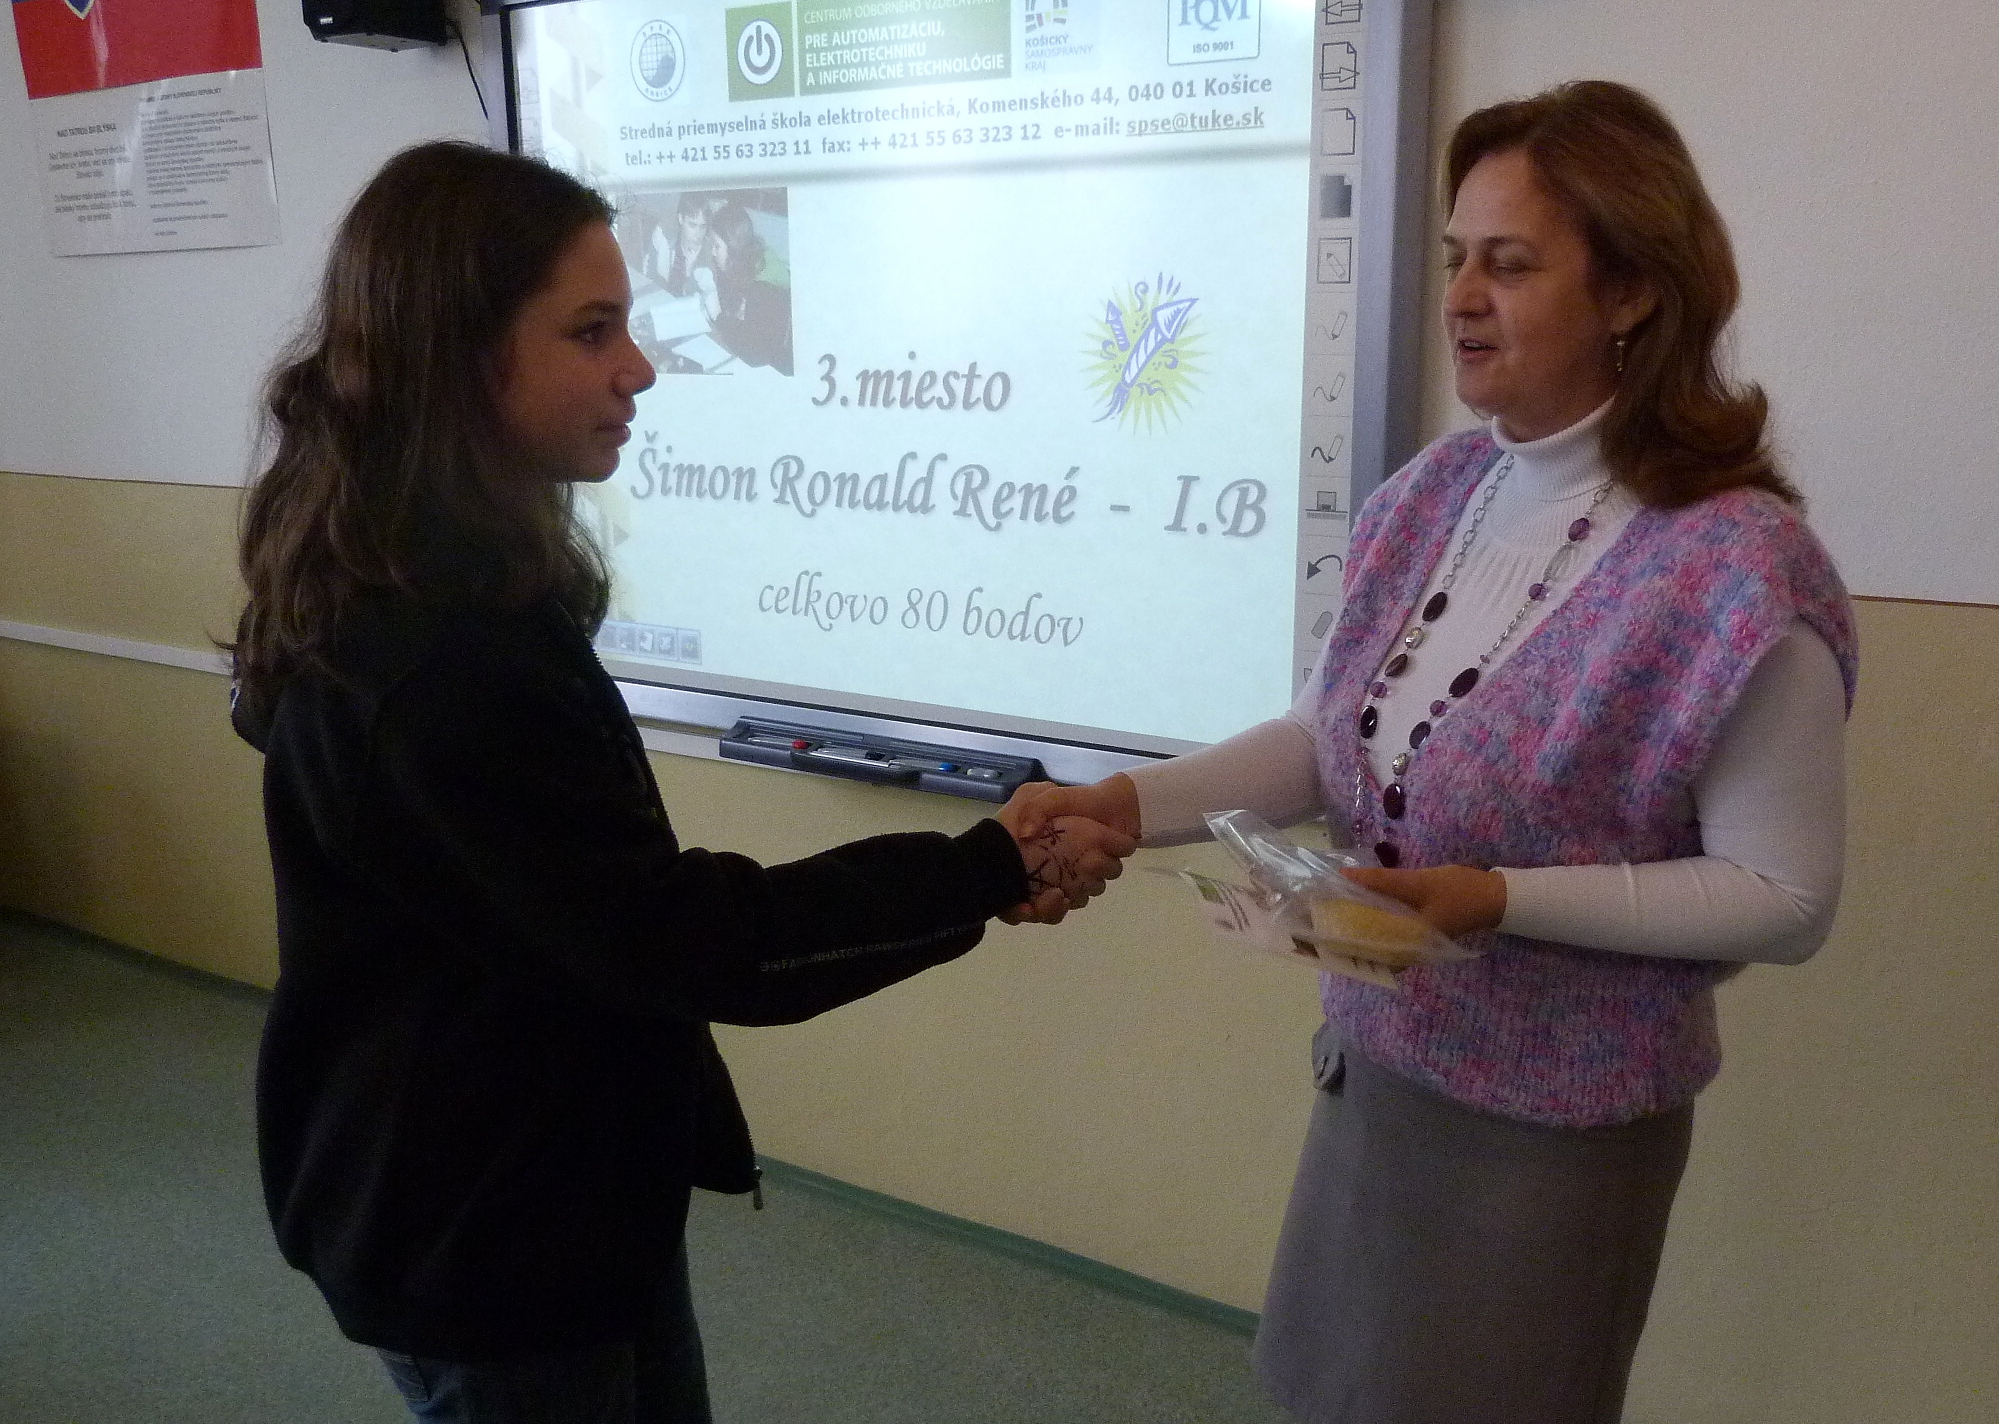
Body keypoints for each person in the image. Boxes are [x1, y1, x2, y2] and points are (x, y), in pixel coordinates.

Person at [228, 140, 1132, 1424]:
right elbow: (685, 942)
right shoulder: (434, 656)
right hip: (480, 1233)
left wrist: (980, 871)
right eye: (590, 331)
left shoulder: (443, 579)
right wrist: (984, 869)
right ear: (456, 352)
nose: (639, 368)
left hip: (558, 1186)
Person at [1009, 81, 1857, 1424]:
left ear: (1632, 289)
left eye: (1508, 264)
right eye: (1454, 256)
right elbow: (1318, 740)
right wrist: (1126, 802)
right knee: (1333, 1393)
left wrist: (1490, 898)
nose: (1461, 296)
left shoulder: (1734, 567)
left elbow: (1783, 898)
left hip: (1554, 1135)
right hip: (1377, 1072)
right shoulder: (1429, 497)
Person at [701, 199, 793, 375]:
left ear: (733, 247)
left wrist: (718, 317)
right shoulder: (741, 263)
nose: (713, 252)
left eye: (717, 246)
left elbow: (756, 353)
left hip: (772, 370)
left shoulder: (763, 288)